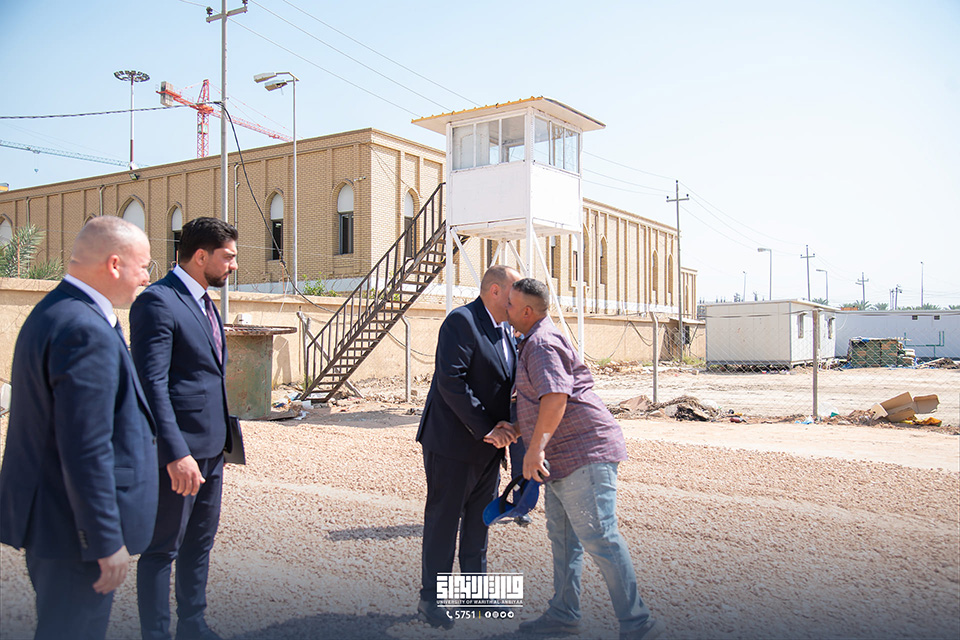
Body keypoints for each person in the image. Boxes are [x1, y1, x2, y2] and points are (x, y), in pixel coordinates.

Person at [0, 216, 158, 640]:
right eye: (144, 266)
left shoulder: (58, 311)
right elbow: (86, 447)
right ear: (114, 264)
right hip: (73, 532)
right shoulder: (84, 330)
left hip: (58, 522)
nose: (147, 277)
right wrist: (105, 539)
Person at [501, 277, 664, 640]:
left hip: (583, 453)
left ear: (527, 311)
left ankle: (639, 625)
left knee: (599, 536)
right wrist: (517, 428)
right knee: (563, 538)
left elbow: (556, 397)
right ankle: (564, 614)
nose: (506, 309)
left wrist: (534, 448)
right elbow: (543, 400)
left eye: (511, 304)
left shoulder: (541, 343)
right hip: (563, 457)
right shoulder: (533, 340)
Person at [131, 216, 238, 640]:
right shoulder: (157, 302)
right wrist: (175, 453)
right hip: (180, 453)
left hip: (213, 449)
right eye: (227, 257)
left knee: (200, 543)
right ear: (200, 256)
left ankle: (193, 625)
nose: (233, 265)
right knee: (162, 549)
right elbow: (151, 384)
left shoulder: (205, 301)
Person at [415, 264, 522, 630]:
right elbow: (452, 381)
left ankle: (475, 595)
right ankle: (431, 600)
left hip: (489, 447)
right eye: (513, 293)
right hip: (453, 444)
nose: (517, 300)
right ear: (495, 291)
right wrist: (487, 428)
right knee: (444, 521)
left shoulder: (506, 330)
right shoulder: (462, 322)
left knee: (479, 521)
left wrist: (507, 428)